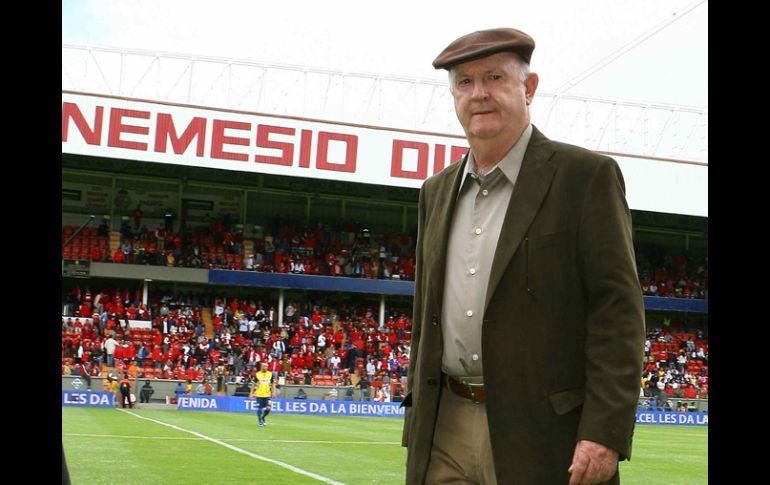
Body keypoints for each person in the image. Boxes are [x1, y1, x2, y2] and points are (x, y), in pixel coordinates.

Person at [401, 28, 645, 485]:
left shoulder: (584, 178)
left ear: (528, 88)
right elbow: (425, 314)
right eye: (465, 83)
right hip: (444, 427)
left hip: (542, 434)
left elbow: (618, 313)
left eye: (494, 77)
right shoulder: (435, 191)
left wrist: (604, 431)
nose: (480, 94)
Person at [251, 362, 274, 427]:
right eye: (264, 366)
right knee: (259, 408)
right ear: (261, 367)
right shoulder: (257, 374)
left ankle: (263, 417)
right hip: (259, 394)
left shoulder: (270, 374)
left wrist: (273, 392)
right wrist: (251, 393)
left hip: (267, 394)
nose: (266, 367)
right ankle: (260, 421)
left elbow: (273, 384)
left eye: (267, 366)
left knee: (268, 408)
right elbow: (253, 384)